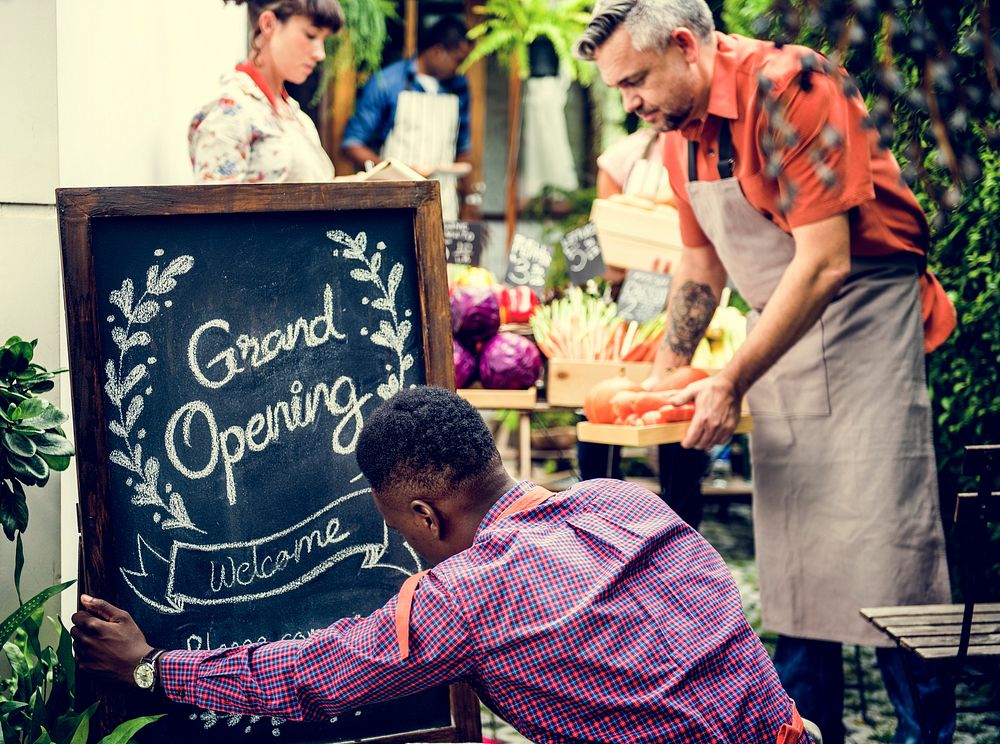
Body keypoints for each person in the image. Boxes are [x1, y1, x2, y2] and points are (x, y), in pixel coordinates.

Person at [574, 2, 958, 743]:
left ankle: (925, 735)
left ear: (686, 45)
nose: (630, 103)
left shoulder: (794, 87)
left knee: (890, 554)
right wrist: (665, 375)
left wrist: (730, 380)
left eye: (636, 80)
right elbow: (700, 265)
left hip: (865, 316)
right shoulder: (678, 132)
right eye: (619, 88)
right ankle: (805, 733)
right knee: (794, 558)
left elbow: (824, 262)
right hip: (779, 331)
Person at [72, 386, 812, 743]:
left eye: (401, 529)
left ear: (426, 514)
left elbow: (310, 676)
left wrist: (148, 667)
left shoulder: (466, 595)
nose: (407, 546)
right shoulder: (625, 502)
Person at [578, 127, 710, 530]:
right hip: (632, 306)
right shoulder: (621, 158)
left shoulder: (704, 152)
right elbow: (600, 245)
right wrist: (620, 261)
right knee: (603, 416)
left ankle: (684, 521)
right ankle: (603, 518)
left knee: (676, 415)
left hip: (688, 306)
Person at [188, 0, 343, 183]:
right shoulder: (231, 109)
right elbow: (215, 207)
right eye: (311, 35)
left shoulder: (296, 116)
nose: (320, 54)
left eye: (324, 40)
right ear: (268, 24)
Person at [341, 16, 473, 221]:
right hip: (393, 200)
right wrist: (392, 171)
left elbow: (463, 148)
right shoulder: (388, 82)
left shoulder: (460, 88)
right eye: (458, 60)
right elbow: (352, 143)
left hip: (444, 205)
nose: (460, 68)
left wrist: (470, 201)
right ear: (438, 51)